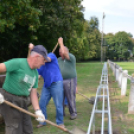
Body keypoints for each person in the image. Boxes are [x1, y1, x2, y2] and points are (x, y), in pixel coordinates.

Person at [0, 44, 47, 134]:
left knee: (27, 128)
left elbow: (33, 93)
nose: (44, 63)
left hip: (22, 101)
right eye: (43, 60)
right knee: (14, 128)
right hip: (8, 99)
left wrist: (38, 111)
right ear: (37, 57)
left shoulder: (35, 74)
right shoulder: (18, 63)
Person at [29, 39, 65, 128]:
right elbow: (38, 75)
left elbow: (46, 59)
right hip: (47, 85)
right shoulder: (39, 65)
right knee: (41, 104)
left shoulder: (51, 55)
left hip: (56, 83)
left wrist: (33, 49)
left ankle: (60, 123)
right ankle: (43, 121)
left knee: (58, 105)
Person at [58, 38, 77, 120]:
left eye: (61, 51)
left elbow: (65, 53)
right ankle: (61, 113)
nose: (60, 53)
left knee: (70, 97)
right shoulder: (58, 60)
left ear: (66, 51)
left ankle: (73, 113)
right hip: (60, 81)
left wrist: (61, 43)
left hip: (70, 80)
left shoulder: (71, 57)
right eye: (59, 52)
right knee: (60, 97)